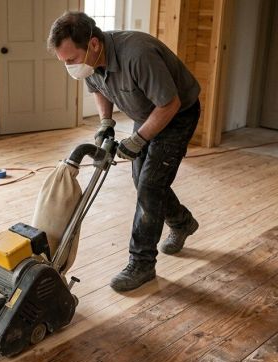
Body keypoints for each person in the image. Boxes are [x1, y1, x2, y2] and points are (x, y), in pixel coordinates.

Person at [48, 11, 201, 292]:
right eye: (64, 61)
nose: (69, 67)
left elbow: (169, 104)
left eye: (71, 60)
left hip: (177, 114)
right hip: (147, 112)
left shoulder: (138, 55)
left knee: (150, 186)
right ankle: (182, 222)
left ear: (94, 44)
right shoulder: (92, 61)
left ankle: (142, 263)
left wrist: (139, 138)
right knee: (143, 182)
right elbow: (98, 87)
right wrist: (106, 121)